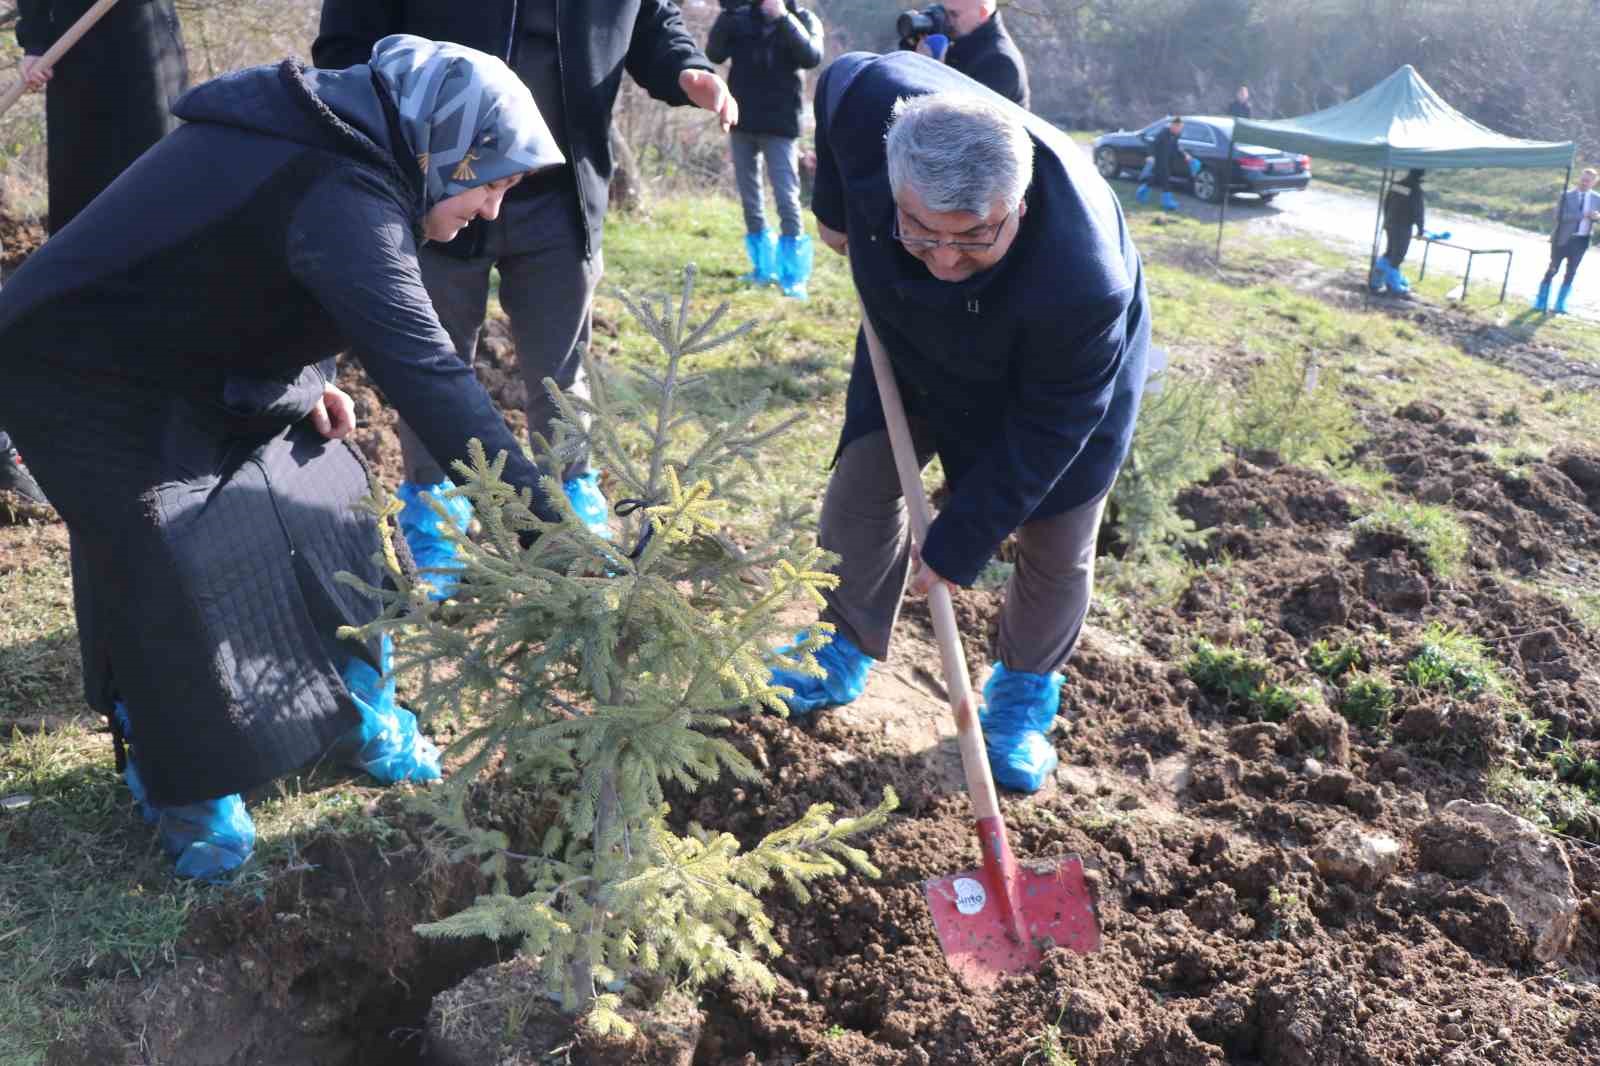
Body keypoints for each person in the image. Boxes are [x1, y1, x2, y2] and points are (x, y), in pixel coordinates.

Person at [0, 35, 569, 879]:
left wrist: (308, 379)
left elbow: (254, 260)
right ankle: (188, 785)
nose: (490, 211)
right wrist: (549, 534)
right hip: (76, 370)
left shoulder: (351, 147)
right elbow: (427, 371)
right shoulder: (343, 183)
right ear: (449, 147)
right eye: (493, 185)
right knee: (167, 542)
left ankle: (356, 709)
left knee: (328, 481)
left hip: (186, 348)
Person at [767, 51, 1149, 794]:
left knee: (1057, 536)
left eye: (972, 236)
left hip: (1053, 376)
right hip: (910, 332)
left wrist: (961, 537)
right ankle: (840, 644)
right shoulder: (869, 104)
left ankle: (1019, 705)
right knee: (862, 482)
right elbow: (837, 78)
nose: (944, 258)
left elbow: (1054, 425)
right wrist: (838, 213)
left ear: (1019, 206)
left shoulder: (1084, 280)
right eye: (921, 230)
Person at [313, 1, 737, 593]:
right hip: (436, 184)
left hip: (562, 196)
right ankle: (437, 507)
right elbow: (345, 45)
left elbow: (650, 23)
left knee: (561, 363)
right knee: (430, 354)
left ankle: (571, 499)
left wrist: (686, 68)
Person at [15, 0, 188, 234]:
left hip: (145, 39)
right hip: (74, 40)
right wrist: (34, 42)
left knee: (151, 163)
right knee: (79, 170)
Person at [706, 0, 825, 299]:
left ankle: (793, 276)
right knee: (750, 200)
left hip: (781, 126)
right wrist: (727, 14)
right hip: (742, 121)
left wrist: (784, 18)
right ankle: (763, 268)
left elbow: (811, 56)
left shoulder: (802, 18)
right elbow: (714, 53)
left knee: (787, 198)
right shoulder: (740, 17)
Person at [923, 0, 1029, 109]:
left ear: (983, 14)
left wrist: (930, 72)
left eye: (954, 14)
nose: (947, 21)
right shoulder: (960, 39)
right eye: (943, 12)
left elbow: (959, 120)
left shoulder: (999, 63)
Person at [1535, 166, 1599, 314]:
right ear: (1579, 178)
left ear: (1594, 182)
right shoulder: (1566, 195)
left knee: (1571, 272)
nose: (1584, 183)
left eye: (1588, 181)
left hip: (1581, 241)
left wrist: (1596, 217)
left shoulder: (1597, 199)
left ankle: (1560, 305)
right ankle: (1541, 302)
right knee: (1553, 269)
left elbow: (1597, 217)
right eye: (1583, 179)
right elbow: (1559, 216)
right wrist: (1582, 215)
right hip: (1562, 239)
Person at [1374, 168, 1425, 294]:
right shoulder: (1415, 190)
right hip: (1403, 227)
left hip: (1390, 223)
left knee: (1389, 252)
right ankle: (1393, 286)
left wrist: (1386, 219)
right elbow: (1418, 211)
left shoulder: (1397, 185)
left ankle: (1375, 281)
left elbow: (1386, 203)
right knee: (1397, 256)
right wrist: (1420, 229)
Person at [1136, 115, 1188, 211]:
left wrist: (1185, 155)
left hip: (1167, 162)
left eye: (1181, 128)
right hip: (1159, 161)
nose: (1180, 129)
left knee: (1153, 179)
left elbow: (1176, 148)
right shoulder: (1163, 133)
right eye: (1179, 127)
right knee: (1166, 182)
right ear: (1173, 125)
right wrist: (1150, 156)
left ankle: (1141, 193)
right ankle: (1167, 203)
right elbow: (1153, 144)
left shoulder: (1176, 135)